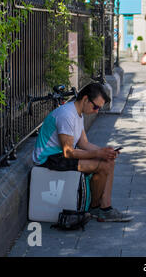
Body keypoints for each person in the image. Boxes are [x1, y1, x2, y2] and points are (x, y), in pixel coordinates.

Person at [32, 83, 133, 222]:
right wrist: (98, 154)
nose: (97, 111)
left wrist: (105, 152)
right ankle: (98, 208)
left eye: (99, 108)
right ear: (85, 99)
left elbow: (83, 143)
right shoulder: (66, 115)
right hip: (48, 158)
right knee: (102, 165)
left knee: (108, 161)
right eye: (96, 107)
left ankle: (105, 208)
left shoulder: (78, 114)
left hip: (59, 155)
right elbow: (68, 152)